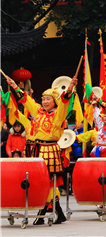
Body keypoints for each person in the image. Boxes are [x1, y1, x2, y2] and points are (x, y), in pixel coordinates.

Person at [6, 74, 76, 225]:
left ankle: (47, 213)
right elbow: (26, 100)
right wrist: (13, 86)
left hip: (49, 150)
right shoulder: (38, 112)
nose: (44, 102)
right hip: (37, 150)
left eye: (48, 99)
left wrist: (69, 89)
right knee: (42, 182)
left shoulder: (58, 114)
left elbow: (65, 102)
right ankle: (53, 213)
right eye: (43, 99)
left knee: (49, 182)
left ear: (55, 101)